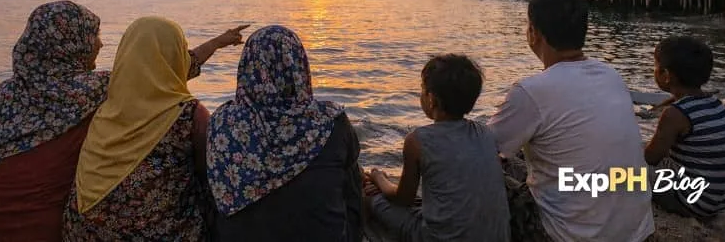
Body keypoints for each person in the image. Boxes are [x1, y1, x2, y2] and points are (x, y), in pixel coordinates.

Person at [487, 0, 654, 242]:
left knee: (484, 171)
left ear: (534, 33)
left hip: (568, 236)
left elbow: (480, 148)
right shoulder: (611, 75)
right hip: (637, 231)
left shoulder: (530, 92)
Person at [62, 16, 248, 241]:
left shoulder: (106, 92)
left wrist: (218, 42)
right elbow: (210, 173)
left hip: (82, 229)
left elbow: (171, 68)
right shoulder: (187, 114)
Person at [206, 25, 362, 242]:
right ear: (298, 65)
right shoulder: (330, 120)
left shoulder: (222, 122)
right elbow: (352, 189)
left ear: (248, 67)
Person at [0, 1, 108, 242]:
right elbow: (160, 76)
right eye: (94, 35)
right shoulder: (96, 89)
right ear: (71, 43)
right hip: (41, 225)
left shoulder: (1, 94)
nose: (100, 43)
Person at [365, 54, 511, 242]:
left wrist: (379, 178)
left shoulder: (417, 141)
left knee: (370, 197)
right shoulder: (486, 134)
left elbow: (403, 199)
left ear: (431, 99)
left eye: (422, 89)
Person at [644, 36, 725, 218]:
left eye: (655, 66)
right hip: (720, 199)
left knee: (626, 172)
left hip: (694, 203)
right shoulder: (715, 103)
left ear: (666, 75)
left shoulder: (675, 114)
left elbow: (650, 158)